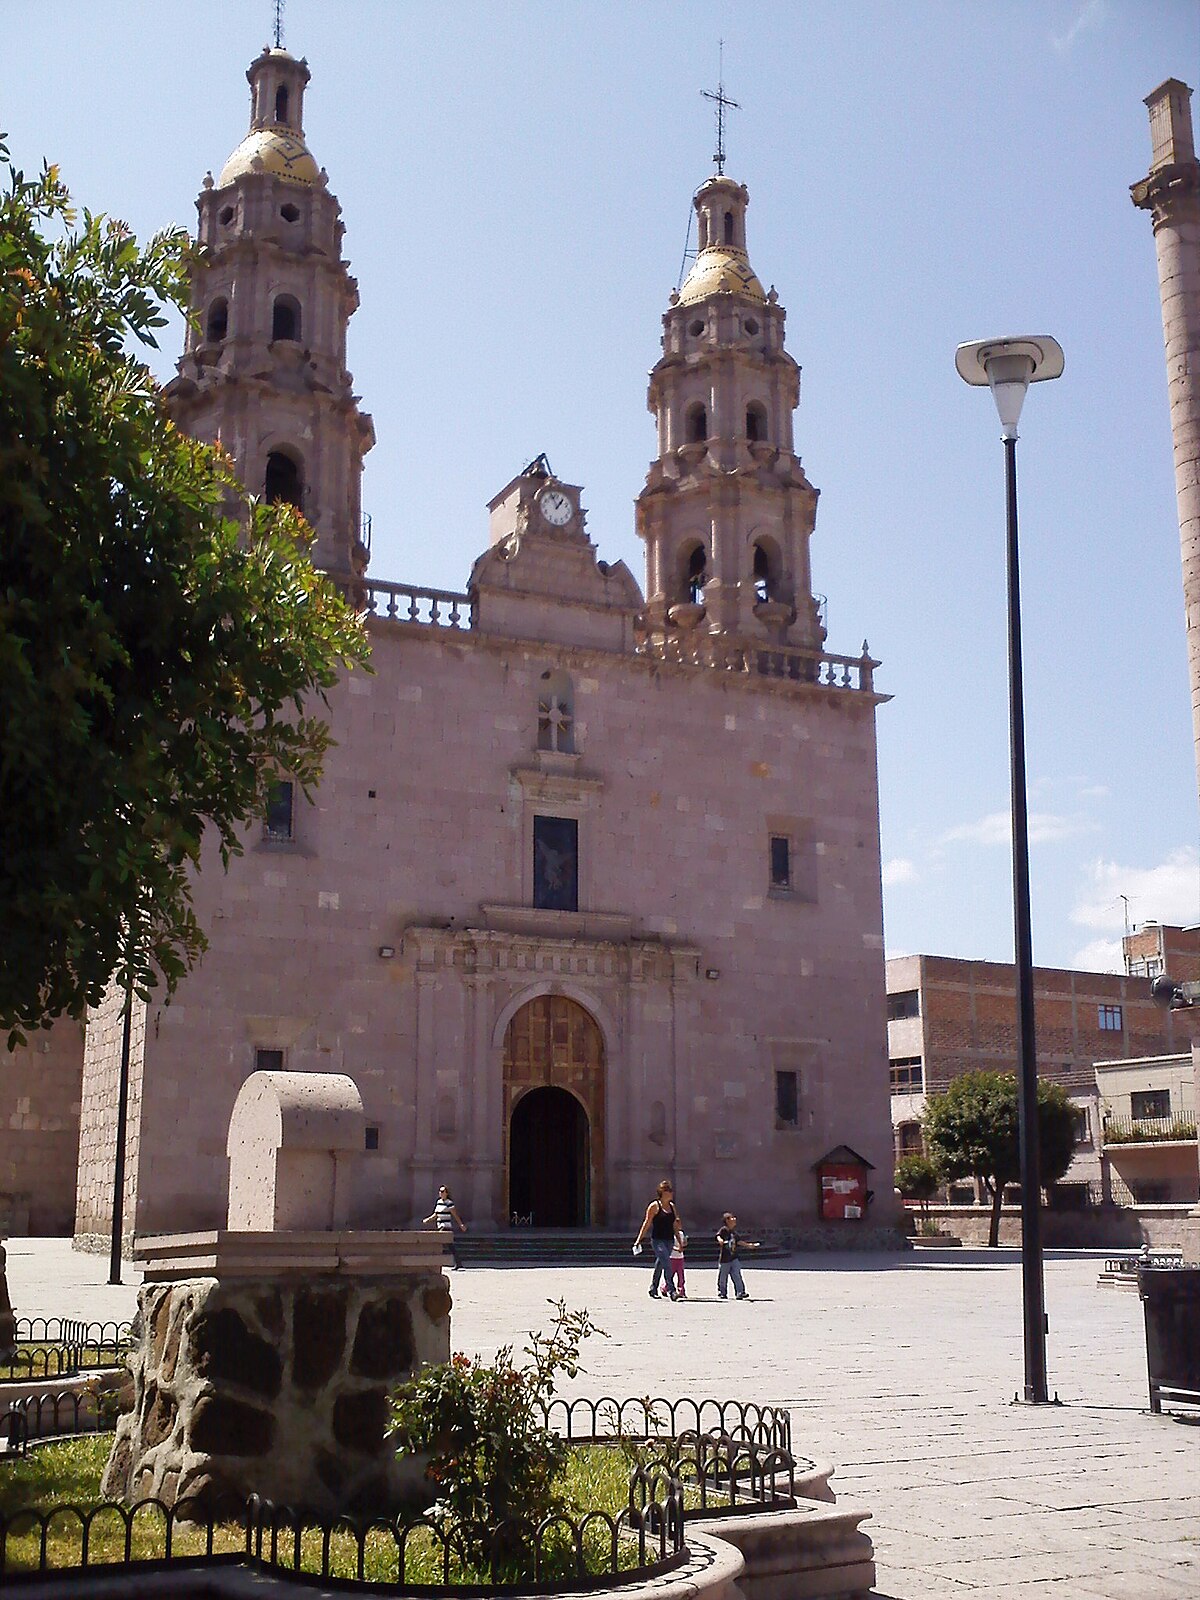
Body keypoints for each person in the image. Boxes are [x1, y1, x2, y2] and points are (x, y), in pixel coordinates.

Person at [633, 1180, 683, 1301]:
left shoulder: (672, 1207)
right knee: (667, 1263)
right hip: (658, 1240)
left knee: (661, 1264)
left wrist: (680, 1242)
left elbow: (675, 1226)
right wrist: (638, 1240)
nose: (671, 1193)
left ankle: (653, 1288)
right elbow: (647, 1223)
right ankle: (671, 1290)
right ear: (662, 1192)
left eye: (671, 1190)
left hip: (669, 1240)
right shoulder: (654, 1206)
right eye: (668, 1190)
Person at [716, 1212, 759, 1300]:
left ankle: (740, 1292)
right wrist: (720, 1241)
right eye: (732, 1218)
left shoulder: (734, 1233)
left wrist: (749, 1245)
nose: (734, 1219)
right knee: (723, 1277)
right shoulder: (724, 1230)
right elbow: (718, 1236)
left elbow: (739, 1242)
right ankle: (722, 1292)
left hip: (734, 1257)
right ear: (727, 1220)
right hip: (725, 1259)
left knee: (737, 1275)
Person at [424, 1185, 467, 1269]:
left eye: (443, 1191)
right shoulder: (439, 1202)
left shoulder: (449, 1203)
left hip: (445, 1227)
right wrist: (428, 1219)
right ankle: (458, 1262)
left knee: (438, 1242)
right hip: (440, 1225)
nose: (441, 1193)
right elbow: (436, 1214)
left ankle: (435, 1262)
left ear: (447, 1193)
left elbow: (455, 1215)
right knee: (450, 1246)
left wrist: (461, 1224)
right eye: (440, 1191)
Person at [666, 1230, 687, 1300]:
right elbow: (669, 1245)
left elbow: (683, 1243)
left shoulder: (681, 1233)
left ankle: (681, 1290)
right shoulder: (669, 1234)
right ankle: (665, 1287)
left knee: (681, 1275)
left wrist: (685, 1243)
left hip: (680, 1257)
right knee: (670, 1274)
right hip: (672, 1256)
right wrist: (677, 1249)